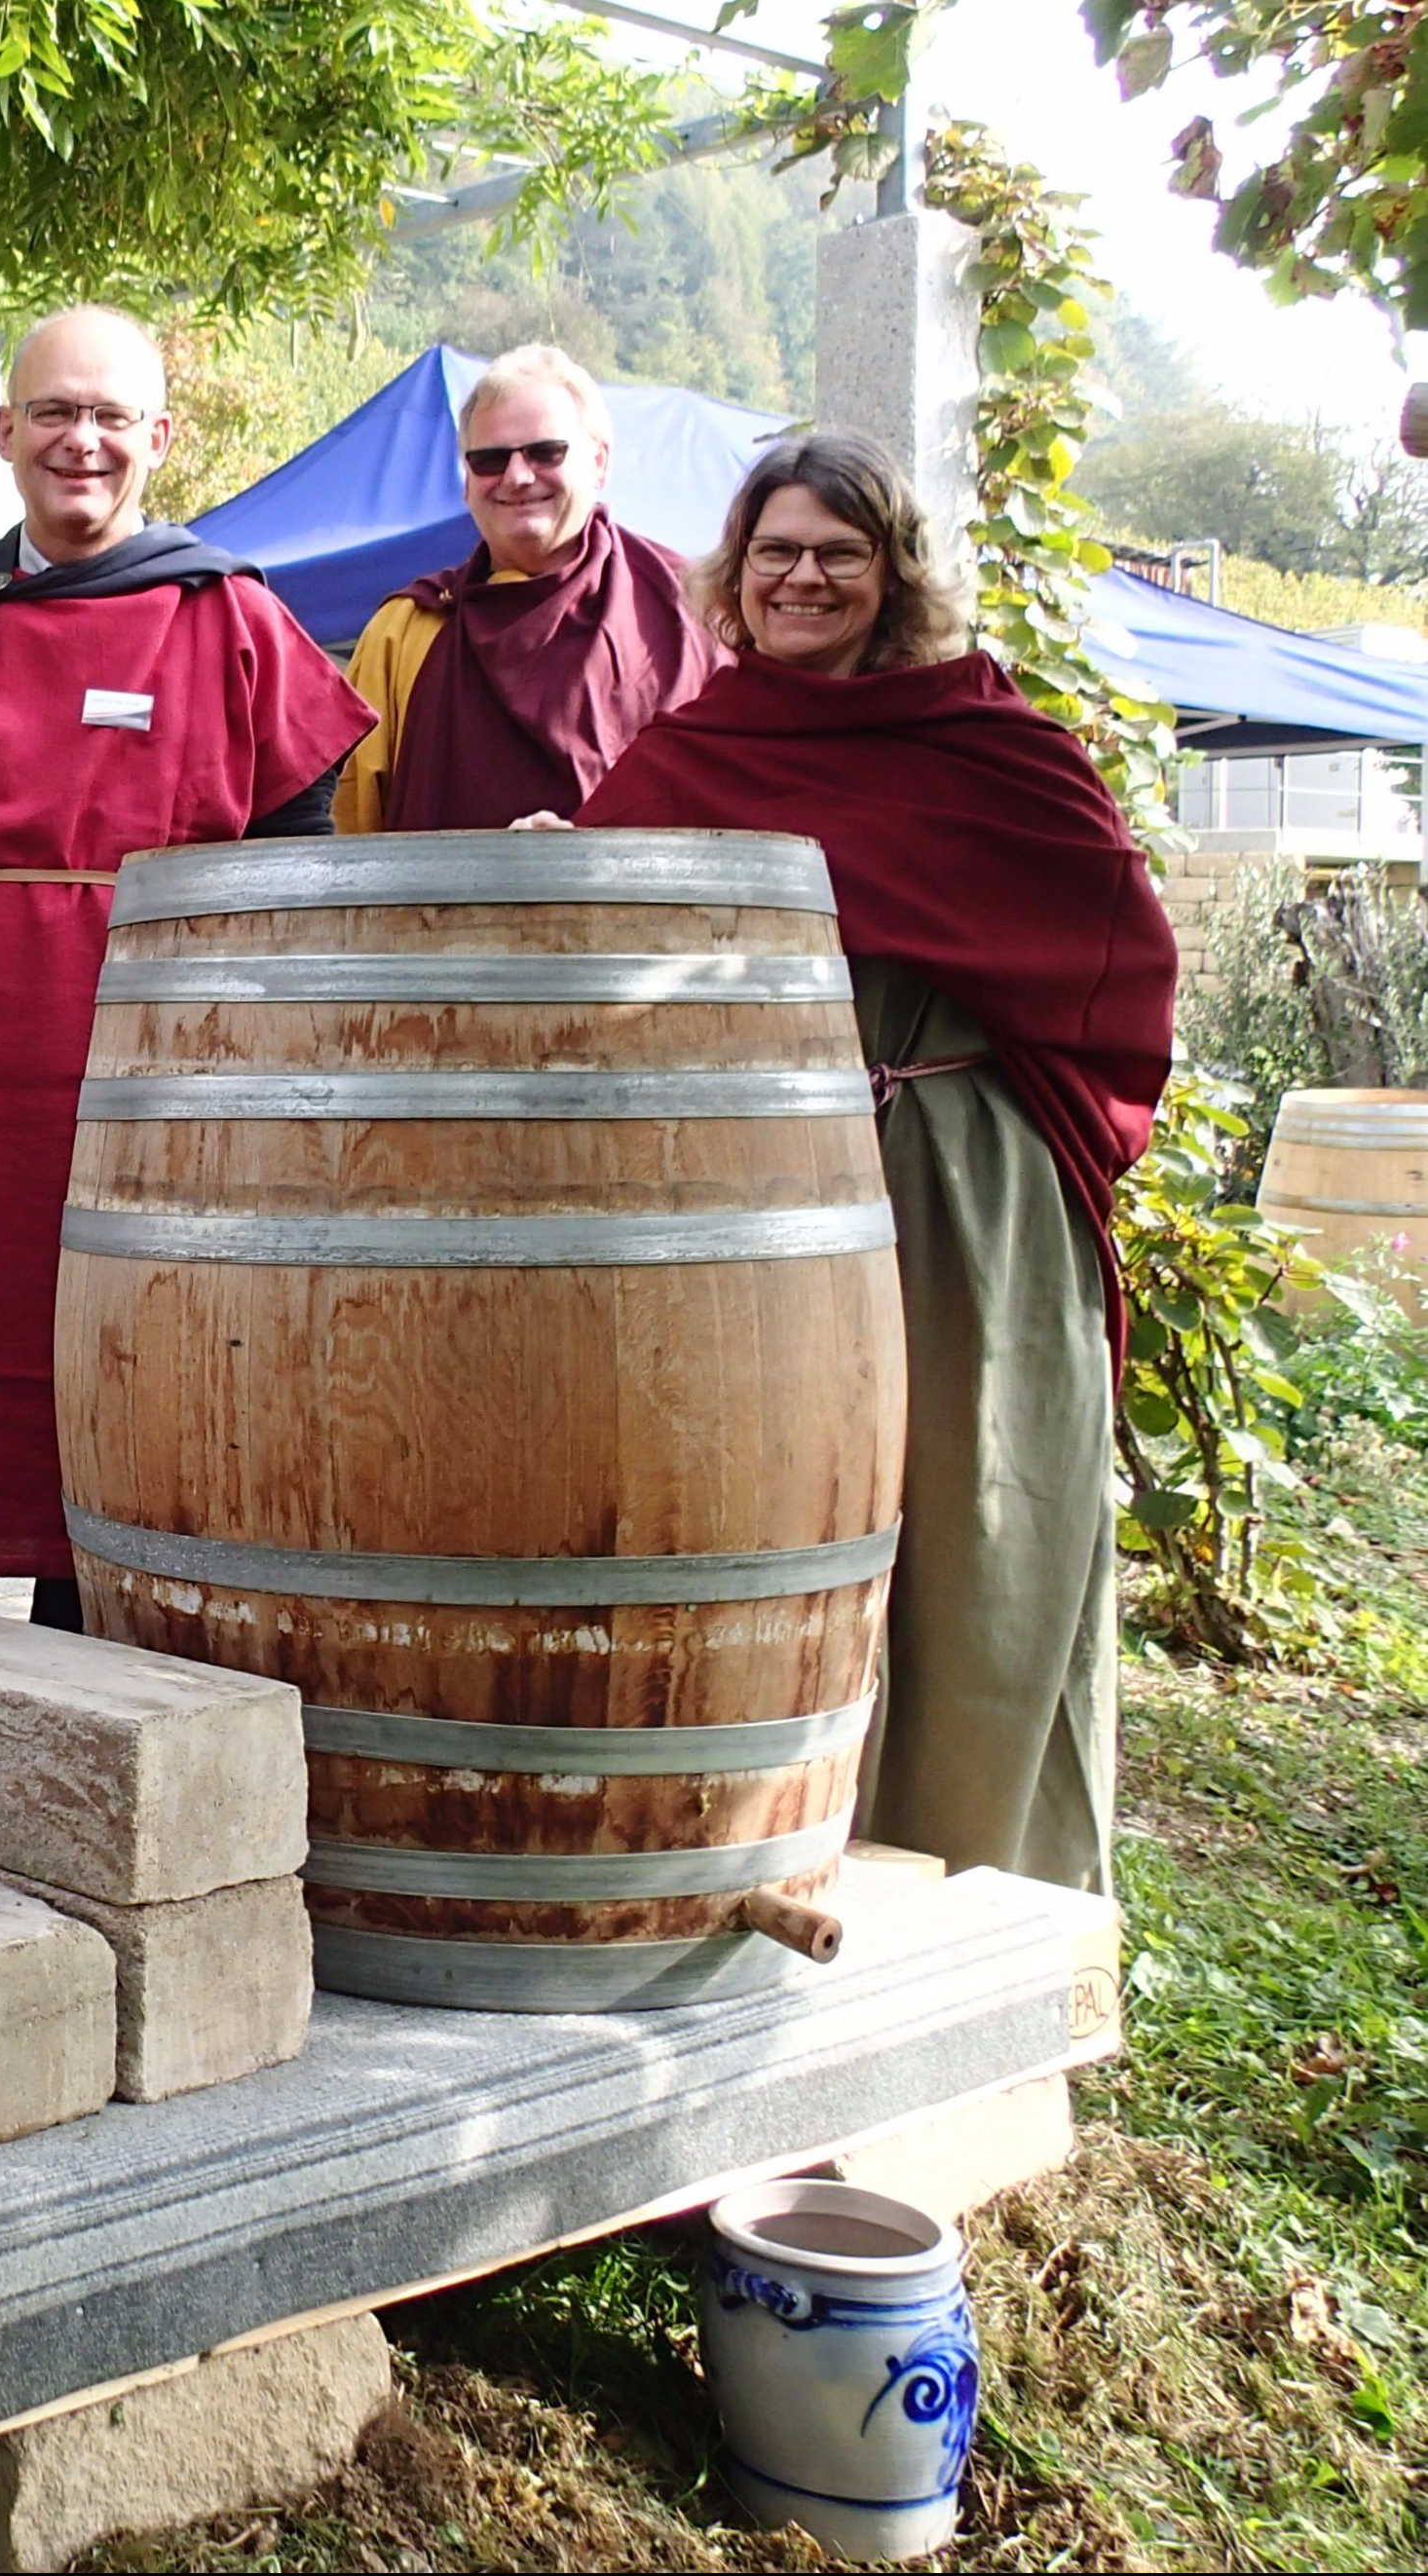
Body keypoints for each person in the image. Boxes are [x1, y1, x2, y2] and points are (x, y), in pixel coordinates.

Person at [564, 431, 1177, 1892]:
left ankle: (982, 1870)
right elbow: (604, 926)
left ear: (890, 574)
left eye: (837, 553)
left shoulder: (993, 747)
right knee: (771, 1508)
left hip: (958, 1175)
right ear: (736, 569)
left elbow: (1113, 951)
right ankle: (767, 1847)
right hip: (759, 1183)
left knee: (975, 1509)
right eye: (775, 551)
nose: (801, 578)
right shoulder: (693, 747)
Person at [0, 306, 374, 1626]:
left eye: (109, 416)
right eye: (52, 412)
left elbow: (299, 861)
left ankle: (112, 1685)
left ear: (158, 438)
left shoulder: (226, 616)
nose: (80, 441)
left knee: (132, 1369)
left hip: (161, 1091)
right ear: (4, 435)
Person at [334, 344, 723, 833]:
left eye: (546, 452)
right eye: (490, 460)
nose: (517, 477)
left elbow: (729, 800)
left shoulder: (689, 607)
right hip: (440, 908)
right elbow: (349, 828)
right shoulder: (408, 629)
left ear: (599, 461)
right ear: (466, 480)